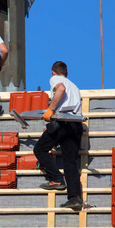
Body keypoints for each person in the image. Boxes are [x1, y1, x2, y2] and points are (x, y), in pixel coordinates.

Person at [33, 61, 84, 210]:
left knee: (40, 149)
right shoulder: (75, 86)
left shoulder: (56, 80)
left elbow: (60, 89)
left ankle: (56, 179)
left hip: (63, 121)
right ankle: (74, 198)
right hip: (76, 124)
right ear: (67, 73)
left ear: (53, 72)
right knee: (70, 163)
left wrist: (50, 109)